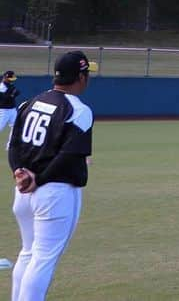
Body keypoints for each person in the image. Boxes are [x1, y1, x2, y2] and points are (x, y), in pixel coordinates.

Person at [9, 50, 95, 301]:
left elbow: (13, 145)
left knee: (28, 253)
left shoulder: (29, 103)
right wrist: (41, 179)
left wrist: (19, 172)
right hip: (54, 192)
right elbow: (68, 155)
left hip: (23, 190)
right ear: (80, 77)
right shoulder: (78, 109)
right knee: (43, 259)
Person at [0, 70, 21, 135]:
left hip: (13, 110)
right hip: (4, 111)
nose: (11, 81)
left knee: (16, 128)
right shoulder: (2, 87)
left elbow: (17, 92)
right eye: (10, 79)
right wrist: (11, 95)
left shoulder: (9, 85)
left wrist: (12, 94)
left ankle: (11, 144)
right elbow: (4, 100)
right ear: (5, 78)